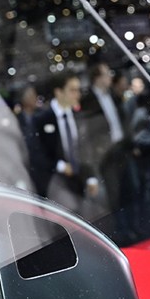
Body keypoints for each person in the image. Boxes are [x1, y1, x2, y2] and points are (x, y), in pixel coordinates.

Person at [80, 62, 134, 238]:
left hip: (122, 149)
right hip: (106, 154)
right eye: (106, 74)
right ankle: (119, 233)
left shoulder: (112, 95)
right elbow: (89, 132)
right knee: (114, 194)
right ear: (97, 78)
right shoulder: (89, 101)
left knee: (130, 188)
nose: (110, 77)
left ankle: (129, 227)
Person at [33, 70, 99, 214]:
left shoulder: (78, 116)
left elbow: (85, 149)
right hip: (55, 183)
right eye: (72, 90)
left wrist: (91, 177)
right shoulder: (42, 119)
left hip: (79, 181)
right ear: (59, 92)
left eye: (78, 90)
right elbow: (38, 153)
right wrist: (60, 166)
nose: (77, 95)